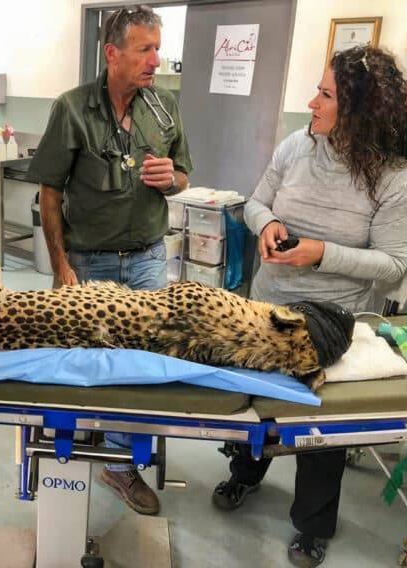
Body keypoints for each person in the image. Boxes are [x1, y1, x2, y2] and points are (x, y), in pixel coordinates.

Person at [211, 45, 407, 567]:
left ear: (361, 112)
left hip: (332, 320)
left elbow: (393, 265)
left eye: (325, 95)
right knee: (256, 408)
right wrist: (267, 225)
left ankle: (312, 524)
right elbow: (255, 202)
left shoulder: (390, 176)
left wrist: (321, 255)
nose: (311, 103)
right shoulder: (296, 145)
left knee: (320, 427)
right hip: (267, 304)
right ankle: (244, 474)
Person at [26, 4, 192, 516]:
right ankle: (69, 457)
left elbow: (185, 172)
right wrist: (59, 266)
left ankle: (120, 466)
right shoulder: (72, 108)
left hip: (145, 258)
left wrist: (174, 180)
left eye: (158, 49)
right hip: (89, 262)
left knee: (140, 365)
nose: (155, 61)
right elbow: (50, 193)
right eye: (145, 49)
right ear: (112, 52)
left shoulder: (163, 107)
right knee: (86, 363)